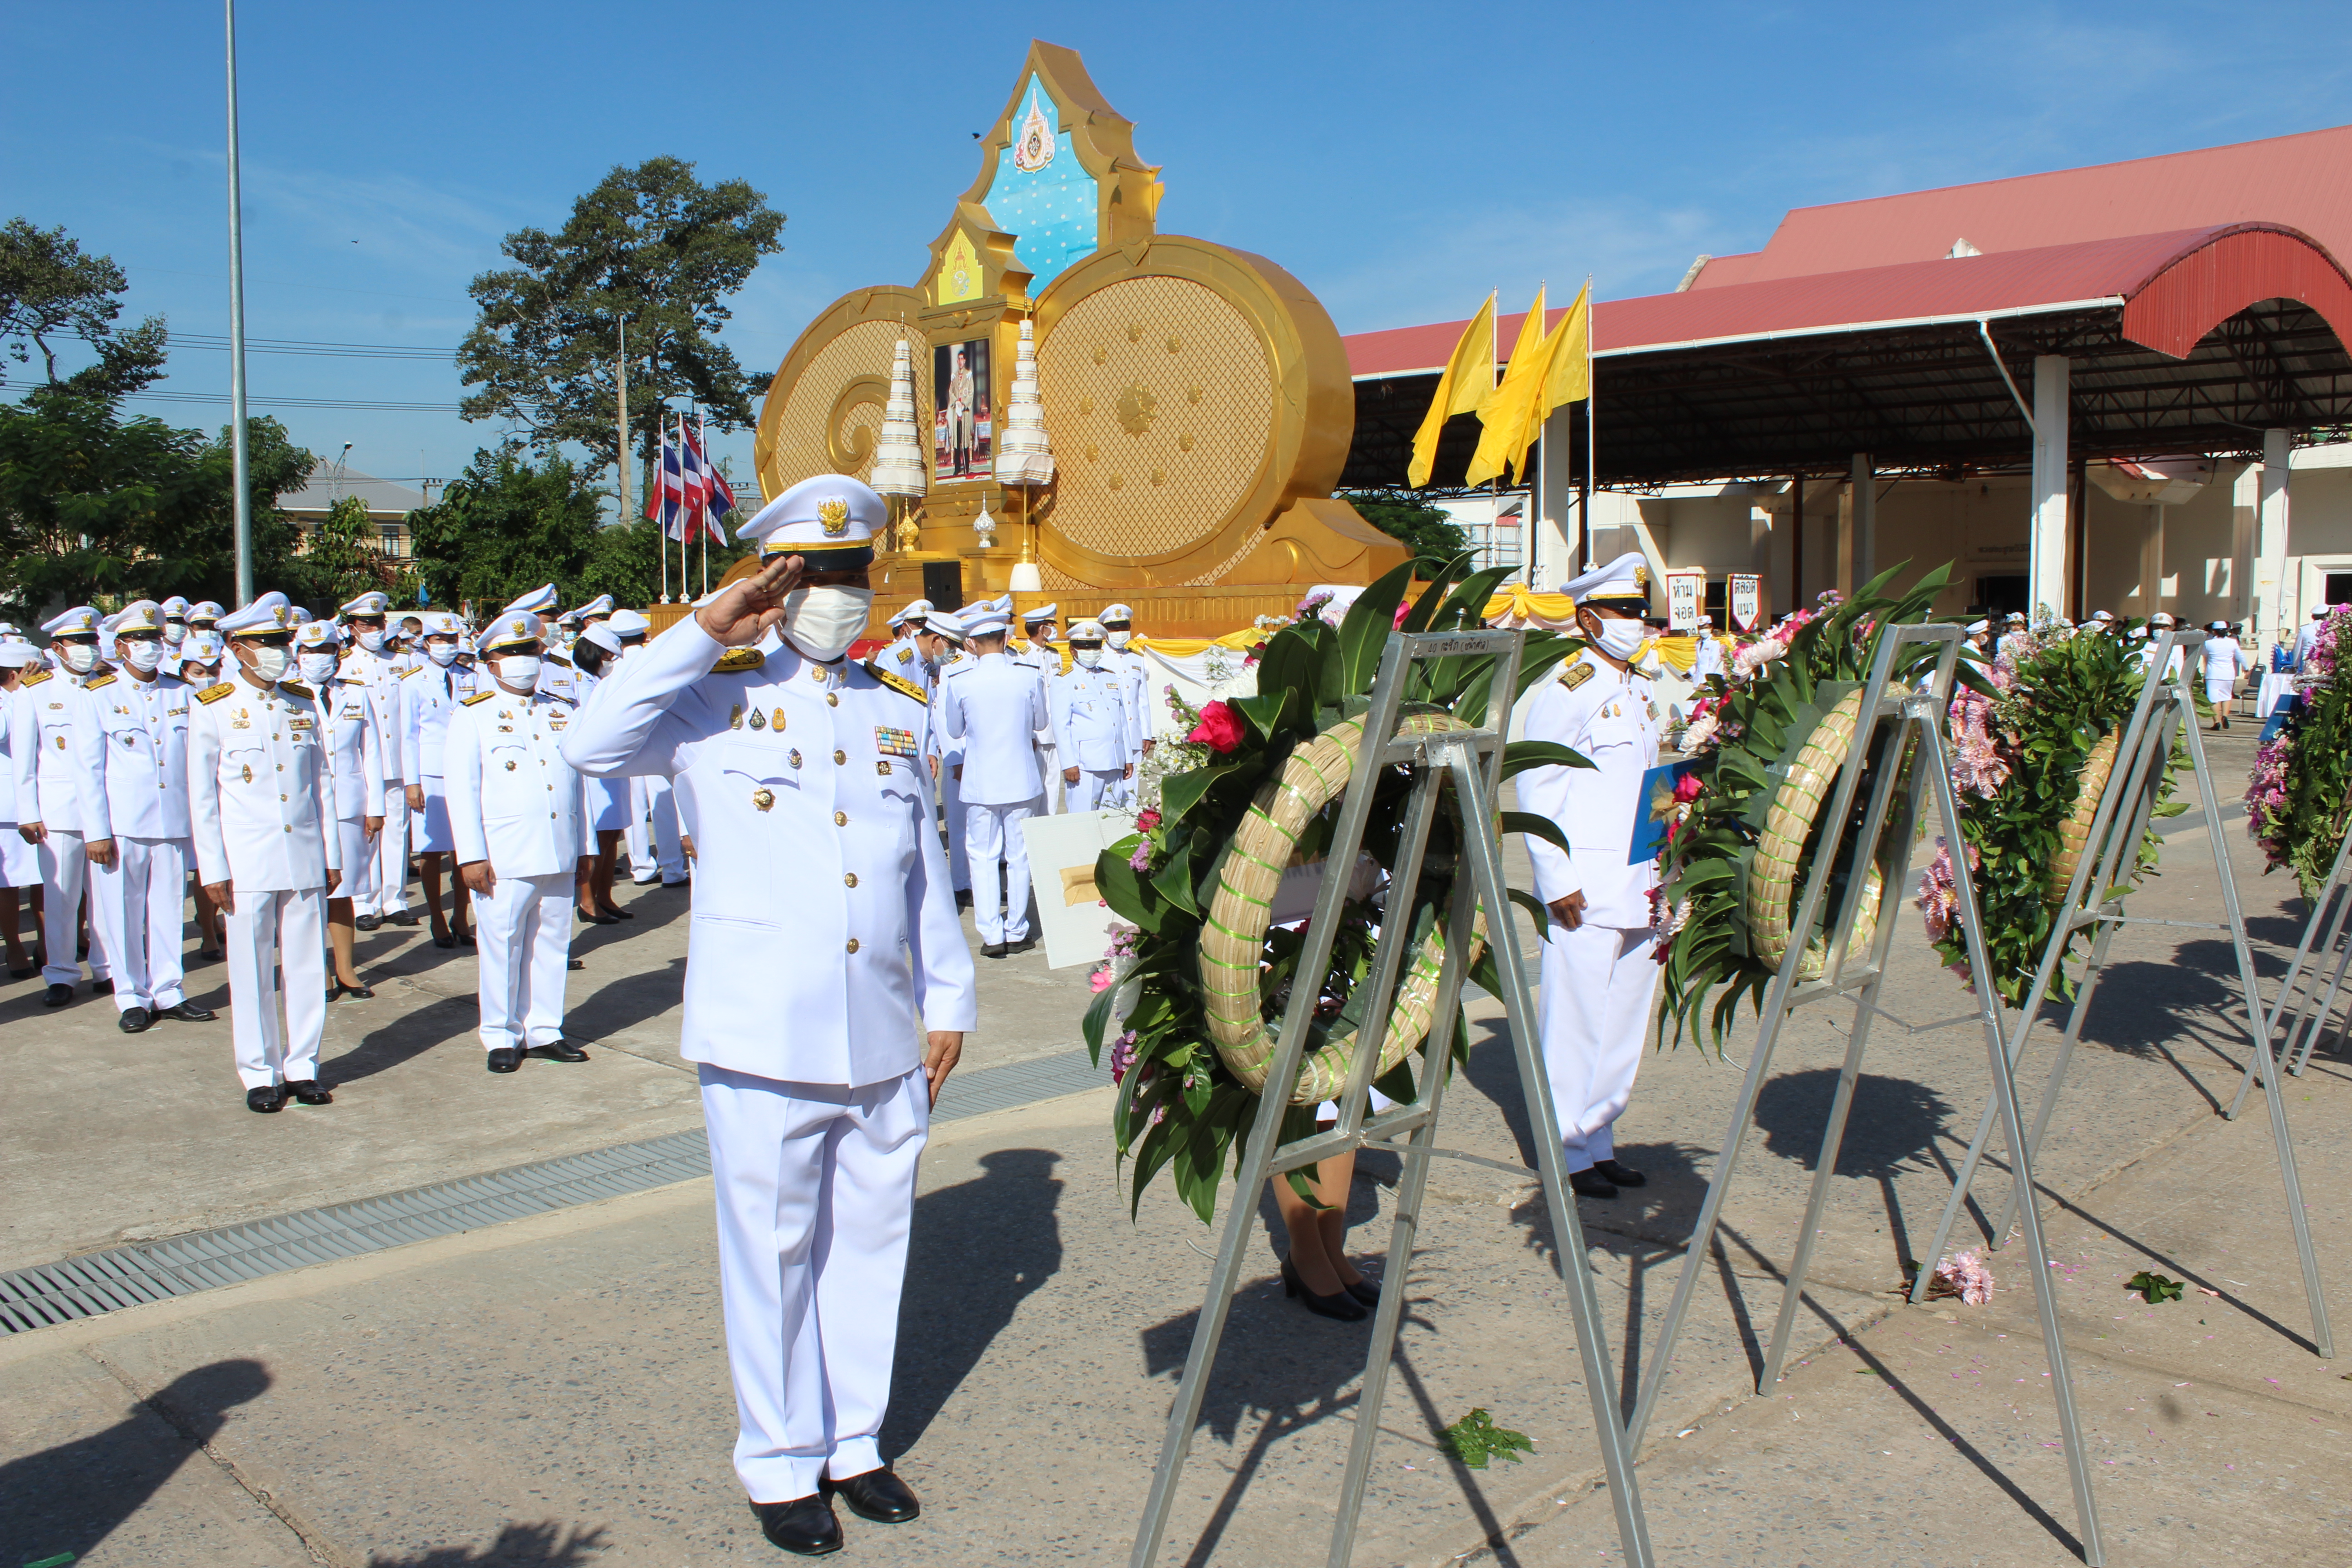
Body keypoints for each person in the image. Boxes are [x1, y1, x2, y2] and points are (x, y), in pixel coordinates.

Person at [562, 475, 973, 1555]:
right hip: (761, 1033)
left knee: (872, 1243)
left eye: (852, 572)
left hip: (880, 1026)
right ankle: (782, 1460)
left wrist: (948, 997)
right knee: (774, 1251)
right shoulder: (710, 695)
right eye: (813, 575)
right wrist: (705, 628)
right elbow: (590, 745)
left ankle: (854, 1442)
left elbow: (918, 866)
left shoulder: (898, 705)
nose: (838, 593)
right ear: (773, 585)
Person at [1517, 553, 1661, 1201]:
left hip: (1641, 882)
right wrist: (1555, 878)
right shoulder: (1570, 687)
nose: (1636, 623)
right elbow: (1537, 785)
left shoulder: (1638, 689)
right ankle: (1564, 1149)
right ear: (1586, 619)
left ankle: (1598, 1139)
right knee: (1574, 1022)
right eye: (1622, 611)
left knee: (1622, 1022)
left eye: (1641, 612)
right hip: (1585, 887)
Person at [188, 593, 339, 1113]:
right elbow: (203, 799)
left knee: (306, 967)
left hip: (304, 855)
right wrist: (213, 868)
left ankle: (303, 1067)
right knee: (251, 972)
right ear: (237, 648)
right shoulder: (212, 706)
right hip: (246, 862)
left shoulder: (301, 702)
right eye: (267, 642)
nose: (279, 651)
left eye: (282, 641)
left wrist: (332, 854)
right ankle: (259, 1072)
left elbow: (322, 784)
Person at [446, 611, 590, 1073]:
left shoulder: (562, 710)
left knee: (552, 943)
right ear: (491, 663)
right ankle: (501, 1034)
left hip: (558, 847)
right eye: (511, 652)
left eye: (529, 650)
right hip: (504, 854)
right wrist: (471, 856)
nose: (523, 660)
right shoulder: (473, 715)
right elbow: (462, 791)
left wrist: (585, 847)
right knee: (502, 946)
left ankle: (545, 1029)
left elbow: (578, 785)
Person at [88, 602, 212, 1033]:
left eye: (154, 638)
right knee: (123, 912)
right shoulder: (100, 695)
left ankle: (169, 990)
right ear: (121, 646)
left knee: (167, 909)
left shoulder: (182, 692)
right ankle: (131, 997)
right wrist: (97, 831)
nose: (149, 646)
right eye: (139, 639)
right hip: (122, 825)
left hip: (173, 820)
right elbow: (89, 770)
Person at [14, 606, 116, 1007]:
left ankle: (107, 968)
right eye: (80, 642)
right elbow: (25, 758)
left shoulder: (108, 686)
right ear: (58, 648)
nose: (89, 648)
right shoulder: (36, 690)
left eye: (93, 641)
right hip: (60, 812)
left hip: (106, 809)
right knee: (61, 900)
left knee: (106, 897)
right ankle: (60, 972)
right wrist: (29, 812)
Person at [942, 602, 1047, 958]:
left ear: (972, 644)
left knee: (982, 856)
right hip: (1021, 779)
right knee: (1019, 856)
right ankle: (1017, 930)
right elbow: (1041, 722)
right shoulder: (1028, 675)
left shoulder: (960, 680)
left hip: (982, 783)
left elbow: (954, 730)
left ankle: (991, 935)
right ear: (1005, 639)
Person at [297, 619, 385, 1000]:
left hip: (349, 804)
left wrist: (375, 806)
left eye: (326, 650)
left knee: (343, 889)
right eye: (310, 651)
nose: (318, 658)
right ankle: (318, 970)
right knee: (308, 892)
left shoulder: (356, 693)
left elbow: (373, 752)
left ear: (338, 654)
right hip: (304, 805)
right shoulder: (287, 694)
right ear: (298, 655)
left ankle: (346, 969)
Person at [334, 592, 415, 931]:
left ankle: (394, 900)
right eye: (367, 624)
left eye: (379, 622)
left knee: (397, 831)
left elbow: (410, 718)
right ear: (353, 627)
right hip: (362, 761)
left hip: (395, 759)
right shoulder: (342, 662)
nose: (375, 629)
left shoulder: (401, 661)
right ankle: (363, 902)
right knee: (365, 834)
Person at [401, 612, 474, 949]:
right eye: (440, 640)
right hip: (430, 774)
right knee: (432, 850)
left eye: (451, 640)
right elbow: (408, 736)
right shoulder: (413, 681)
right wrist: (412, 782)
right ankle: (437, 916)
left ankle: (461, 915)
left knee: (465, 847)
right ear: (427, 643)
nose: (446, 646)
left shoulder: (471, 677)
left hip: (466, 770)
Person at [567, 620, 635, 924]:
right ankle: (587, 901)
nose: (611, 661)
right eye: (608, 656)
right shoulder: (579, 681)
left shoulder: (600, 679)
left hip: (613, 765)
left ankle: (604, 896)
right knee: (597, 839)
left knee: (612, 836)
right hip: (594, 769)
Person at [1050, 620, 1136, 811]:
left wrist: (1127, 757)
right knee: (1083, 818)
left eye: (1095, 647)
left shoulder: (1110, 677)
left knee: (1112, 816)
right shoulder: (1064, 680)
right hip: (1085, 764)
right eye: (1085, 647)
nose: (1091, 652)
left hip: (1114, 759)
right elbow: (1061, 727)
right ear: (1073, 650)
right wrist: (1069, 763)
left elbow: (1121, 721)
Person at [0, 637, 44, 978]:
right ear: (17, 674)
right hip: (7, 808)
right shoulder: (10, 700)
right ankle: (14, 946)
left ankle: (48, 943)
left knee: (47, 880)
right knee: (9, 885)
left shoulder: (43, 695)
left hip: (44, 801)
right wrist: (19, 696)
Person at [925, 611, 974, 906]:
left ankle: (975, 881)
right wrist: (955, 760)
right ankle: (961, 884)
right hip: (960, 759)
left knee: (978, 826)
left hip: (976, 757)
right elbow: (941, 717)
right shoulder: (946, 669)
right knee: (958, 826)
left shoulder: (967, 665)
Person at [1016, 605, 1064, 814]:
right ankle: (1033, 822)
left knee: (1053, 783)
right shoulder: (1023, 655)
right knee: (1035, 783)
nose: (1054, 630)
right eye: (1050, 626)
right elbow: (1024, 698)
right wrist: (1029, 733)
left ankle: (1049, 822)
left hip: (1055, 730)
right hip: (1036, 732)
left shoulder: (1054, 655)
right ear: (1041, 628)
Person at [2203, 620, 2243, 730]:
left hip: (2213, 674)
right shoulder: (2233, 642)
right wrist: (2246, 667)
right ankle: (2225, 716)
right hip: (2228, 674)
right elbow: (2240, 655)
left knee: (2213, 698)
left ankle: (2217, 721)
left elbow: (2203, 653)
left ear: (2214, 631)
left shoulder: (2208, 643)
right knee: (2227, 696)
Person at [1690, 613, 1726, 682]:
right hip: (1698, 679)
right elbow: (1699, 663)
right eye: (1701, 628)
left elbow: (1713, 664)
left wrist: (1705, 682)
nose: (1703, 630)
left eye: (1706, 628)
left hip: (1709, 681)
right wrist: (1690, 672)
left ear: (1711, 628)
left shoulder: (1714, 643)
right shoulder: (1698, 643)